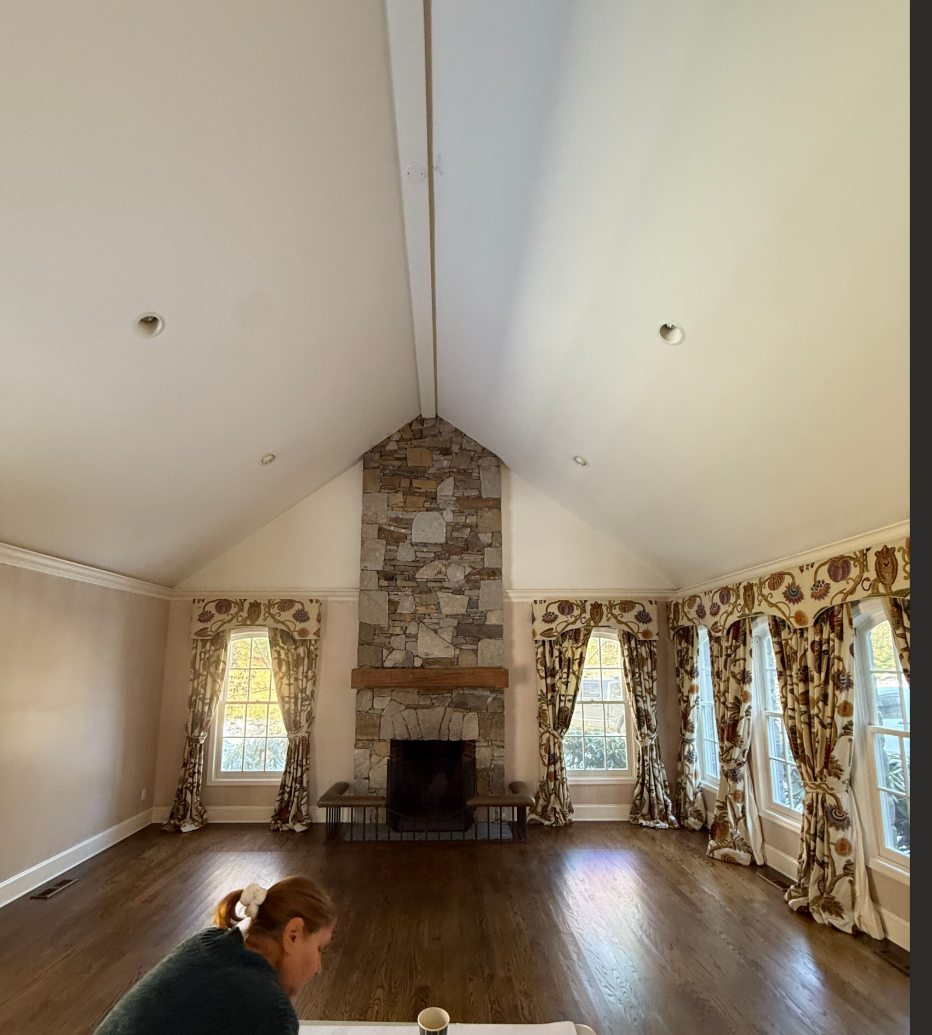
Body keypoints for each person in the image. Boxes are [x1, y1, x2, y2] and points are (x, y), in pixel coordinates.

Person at [93, 876, 336, 1035]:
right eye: (319, 948)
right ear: (293, 935)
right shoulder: (269, 1011)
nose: (318, 968)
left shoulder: (208, 942)